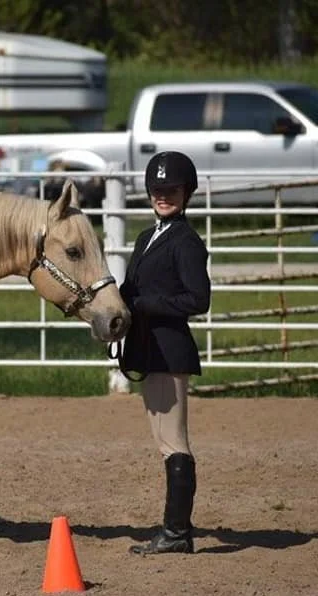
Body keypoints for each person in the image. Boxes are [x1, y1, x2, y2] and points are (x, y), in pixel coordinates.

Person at [118, 150, 211, 555]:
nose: (163, 196)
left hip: (171, 350)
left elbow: (198, 299)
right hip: (148, 349)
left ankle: (176, 533)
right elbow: (133, 289)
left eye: (171, 189)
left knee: (174, 441)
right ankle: (174, 530)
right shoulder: (146, 236)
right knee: (162, 439)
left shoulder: (186, 242)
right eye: (157, 189)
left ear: (186, 192)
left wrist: (145, 305)